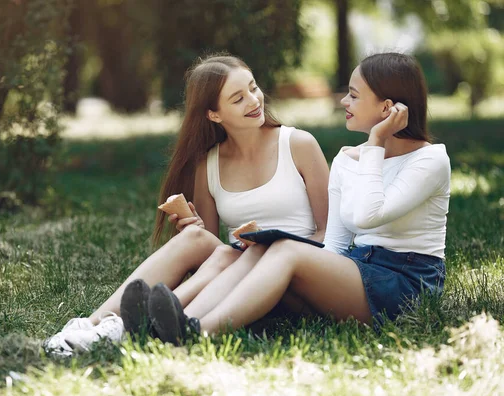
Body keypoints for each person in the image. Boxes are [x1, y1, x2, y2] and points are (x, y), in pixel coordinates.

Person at [139, 52, 451, 342]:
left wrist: (377, 141)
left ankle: (196, 332)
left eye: (354, 95)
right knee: (265, 249)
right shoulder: (348, 159)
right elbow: (336, 246)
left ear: (386, 108)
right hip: (359, 270)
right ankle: (168, 320)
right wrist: (272, 252)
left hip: (408, 282)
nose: (344, 100)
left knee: (285, 249)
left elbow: (368, 215)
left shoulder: (430, 160)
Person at [42, 54, 329, 356]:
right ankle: (93, 325)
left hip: (297, 275)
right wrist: (196, 227)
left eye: (253, 88)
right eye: (238, 98)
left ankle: (145, 323)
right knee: (193, 238)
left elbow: (330, 234)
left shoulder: (299, 144)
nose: (254, 101)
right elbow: (215, 249)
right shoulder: (209, 164)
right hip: (238, 272)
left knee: (246, 254)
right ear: (214, 115)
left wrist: (272, 247)